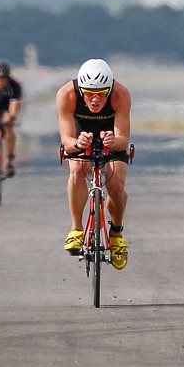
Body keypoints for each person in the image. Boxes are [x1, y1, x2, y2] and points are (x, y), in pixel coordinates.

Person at [56, 58, 131, 269]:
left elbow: (123, 138)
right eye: (89, 94)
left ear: (109, 90)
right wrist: (78, 142)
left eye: (101, 94)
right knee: (77, 169)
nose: (95, 99)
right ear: (81, 90)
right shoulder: (66, 94)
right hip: (81, 135)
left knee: (116, 187)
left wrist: (113, 141)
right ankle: (77, 229)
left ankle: (116, 234)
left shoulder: (120, 94)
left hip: (111, 136)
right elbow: (67, 142)